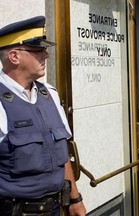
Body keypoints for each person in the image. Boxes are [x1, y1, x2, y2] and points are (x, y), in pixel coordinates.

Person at [0, 16, 86, 216]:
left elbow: (62, 155)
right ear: (14, 56)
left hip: (55, 209)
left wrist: (75, 199)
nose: (46, 55)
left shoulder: (49, 94)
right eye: (38, 50)